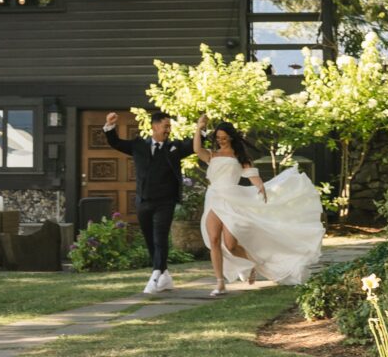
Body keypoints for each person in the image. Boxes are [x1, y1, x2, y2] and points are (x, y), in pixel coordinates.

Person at [193, 115, 324, 296]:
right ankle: (220, 282)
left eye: (224, 137)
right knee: (214, 241)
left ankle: (253, 262)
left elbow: (252, 175)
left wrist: (260, 186)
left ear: (230, 137)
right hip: (213, 198)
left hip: (232, 199)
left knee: (230, 245)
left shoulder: (239, 157)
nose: (220, 141)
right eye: (218, 138)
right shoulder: (212, 155)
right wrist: (199, 128)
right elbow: (197, 148)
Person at [102, 109, 194, 295]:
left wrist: (202, 130)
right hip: (143, 201)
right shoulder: (138, 145)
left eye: (169, 126)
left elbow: (193, 146)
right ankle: (164, 274)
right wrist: (110, 125)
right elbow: (116, 142)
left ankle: (155, 275)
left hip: (165, 202)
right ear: (155, 126)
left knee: (160, 238)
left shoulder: (174, 148)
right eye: (165, 126)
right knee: (150, 239)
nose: (168, 130)